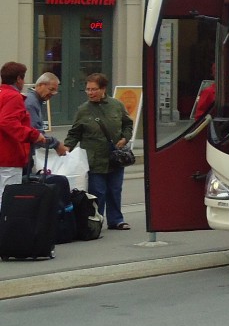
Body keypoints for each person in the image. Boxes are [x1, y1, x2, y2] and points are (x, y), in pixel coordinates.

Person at [65, 72, 135, 230]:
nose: (90, 93)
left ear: (103, 89)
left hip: (115, 157)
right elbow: (74, 133)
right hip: (94, 158)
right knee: (98, 192)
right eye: (87, 89)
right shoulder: (83, 110)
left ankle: (116, 220)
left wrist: (124, 138)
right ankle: (96, 220)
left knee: (115, 190)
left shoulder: (116, 105)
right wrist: (65, 149)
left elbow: (127, 124)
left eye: (94, 89)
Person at [1, 62, 63, 202]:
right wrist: (34, 135)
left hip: (5, 154)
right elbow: (7, 122)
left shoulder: (2, 94)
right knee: (8, 198)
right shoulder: (14, 96)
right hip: (9, 155)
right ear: (18, 79)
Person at [24, 71, 63, 174]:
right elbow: (35, 132)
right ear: (40, 85)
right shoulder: (31, 103)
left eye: (55, 91)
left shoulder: (35, 101)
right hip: (24, 154)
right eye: (51, 89)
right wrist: (56, 144)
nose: (53, 94)